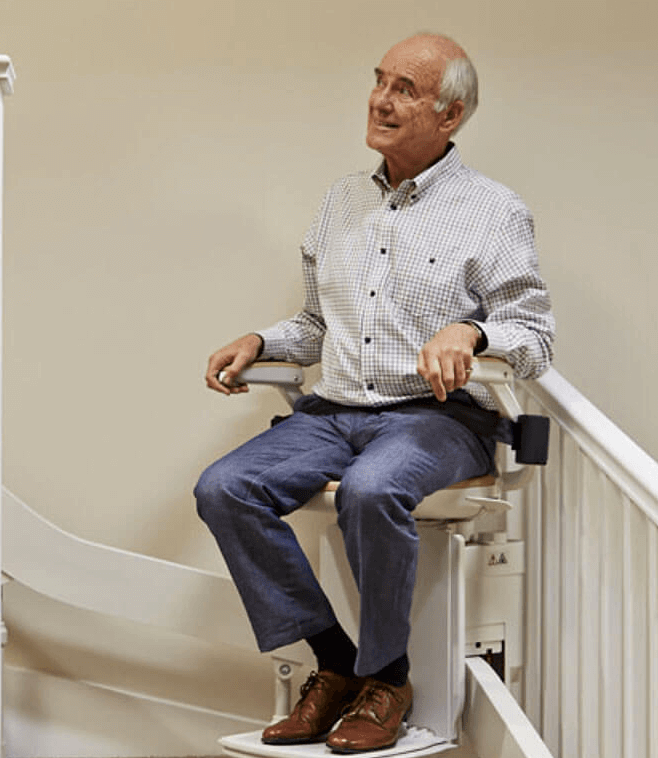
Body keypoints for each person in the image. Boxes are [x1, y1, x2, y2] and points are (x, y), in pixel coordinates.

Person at [193, 32, 553, 754]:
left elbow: (534, 335)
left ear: (450, 116)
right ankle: (336, 665)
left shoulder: (493, 209)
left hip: (436, 418)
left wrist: (470, 335)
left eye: (405, 90)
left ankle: (387, 677)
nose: (381, 99)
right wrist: (262, 342)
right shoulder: (340, 202)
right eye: (380, 81)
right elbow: (317, 323)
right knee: (224, 488)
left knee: (370, 489)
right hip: (333, 412)